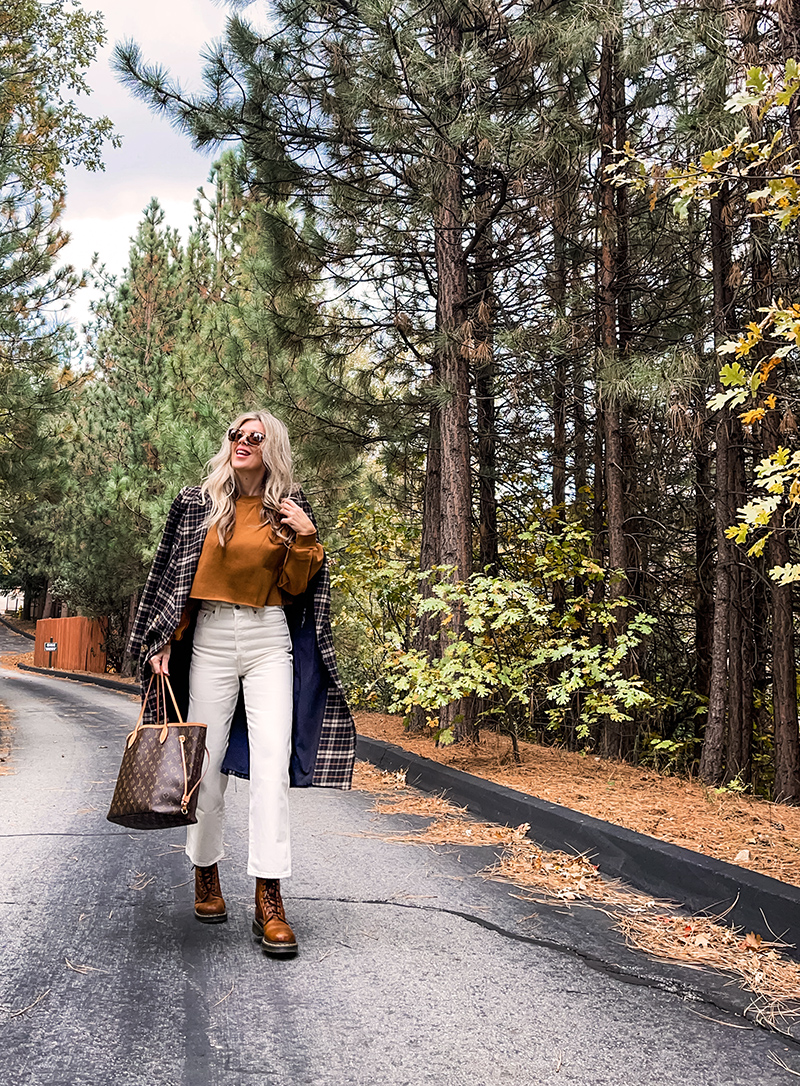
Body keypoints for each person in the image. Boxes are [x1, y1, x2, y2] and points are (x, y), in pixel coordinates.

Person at [127, 411, 356, 958]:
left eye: (255, 438)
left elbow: (300, 589)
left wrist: (305, 537)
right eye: (236, 435)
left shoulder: (289, 510)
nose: (243, 443)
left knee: (270, 767)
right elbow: (170, 576)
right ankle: (205, 872)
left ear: (270, 448)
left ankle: (269, 896)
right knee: (203, 768)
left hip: (268, 639)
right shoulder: (196, 502)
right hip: (207, 637)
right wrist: (163, 640)